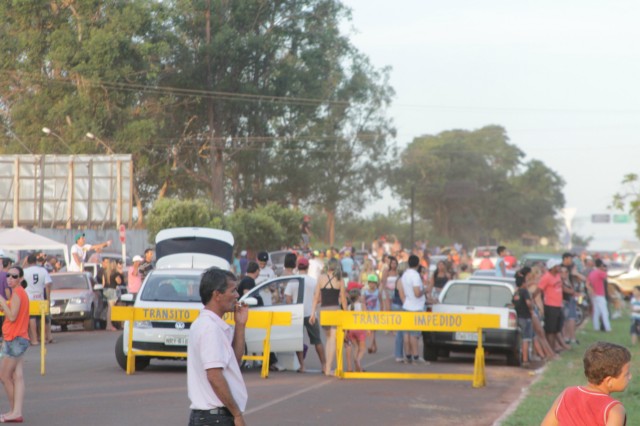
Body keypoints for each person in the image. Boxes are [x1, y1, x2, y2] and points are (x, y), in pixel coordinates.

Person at [187, 268, 249, 426]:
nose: (237, 296)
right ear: (217, 295)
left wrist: (240, 325)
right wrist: (237, 414)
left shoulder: (209, 324)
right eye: (233, 290)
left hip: (211, 417)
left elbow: (233, 362)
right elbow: (214, 376)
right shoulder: (210, 328)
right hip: (215, 418)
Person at [541, 342, 630, 426]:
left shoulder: (567, 393)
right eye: (626, 374)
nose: (630, 377)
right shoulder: (614, 409)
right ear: (609, 381)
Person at [0, 266, 31, 423]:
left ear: (20, 278)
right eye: (8, 276)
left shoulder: (18, 293)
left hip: (15, 339)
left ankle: (14, 411)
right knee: (17, 376)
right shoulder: (18, 294)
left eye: (14, 276)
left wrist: (3, 302)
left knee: (5, 376)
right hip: (17, 338)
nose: (10, 278)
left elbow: (12, 317)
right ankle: (15, 411)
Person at [284, 257, 325, 373]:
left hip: (297, 313)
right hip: (310, 314)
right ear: (307, 268)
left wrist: (292, 308)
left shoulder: (293, 281)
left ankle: (302, 365)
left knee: (298, 340)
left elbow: (287, 297)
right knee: (317, 340)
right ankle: (324, 365)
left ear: (297, 267)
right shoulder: (313, 281)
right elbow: (319, 298)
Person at [309, 258, 346, 376]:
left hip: (323, 311)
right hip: (335, 310)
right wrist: (346, 313)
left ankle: (327, 367)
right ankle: (328, 367)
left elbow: (316, 297)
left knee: (329, 338)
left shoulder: (321, 278)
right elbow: (343, 299)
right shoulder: (340, 279)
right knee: (332, 339)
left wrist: (312, 313)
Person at [532, 259, 565, 352]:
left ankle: (554, 347)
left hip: (558, 305)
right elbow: (539, 289)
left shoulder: (558, 276)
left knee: (556, 329)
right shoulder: (546, 277)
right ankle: (550, 349)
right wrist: (532, 298)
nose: (559, 268)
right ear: (552, 267)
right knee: (550, 329)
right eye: (557, 266)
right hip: (550, 306)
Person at [401, 255, 427, 364]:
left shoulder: (404, 275)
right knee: (414, 335)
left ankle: (408, 356)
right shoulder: (415, 276)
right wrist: (424, 291)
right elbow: (417, 293)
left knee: (406, 334)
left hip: (407, 305)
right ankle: (416, 357)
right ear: (417, 264)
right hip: (416, 307)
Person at [23, 253, 52, 345]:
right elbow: (48, 285)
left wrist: (24, 263)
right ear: (36, 261)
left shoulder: (25, 271)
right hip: (40, 297)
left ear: (28, 261)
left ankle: (34, 339)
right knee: (42, 318)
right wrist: (47, 298)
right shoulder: (43, 271)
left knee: (32, 318)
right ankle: (43, 338)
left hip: (29, 297)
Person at [512, 267, 534, 367]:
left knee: (521, 338)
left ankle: (522, 358)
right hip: (526, 317)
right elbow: (528, 303)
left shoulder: (515, 293)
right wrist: (532, 308)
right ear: (524, 283)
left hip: (518, 317)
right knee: (526, 339)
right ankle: (525, 360)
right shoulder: (524, 292)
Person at [345, 281, 366, 373]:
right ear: (358, 296)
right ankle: (358, 360)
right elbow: (366, 318)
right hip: (360, 329)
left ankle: (357, 365)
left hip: (351, 330)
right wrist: (368, 329)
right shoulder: (362, 306)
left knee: (355, 347)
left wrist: (346, 331)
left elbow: (346, 320)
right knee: (362, 348)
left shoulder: (349, 307)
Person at [587, 259, 611, 333]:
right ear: (601, 265)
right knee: (604, 312)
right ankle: (607, 328)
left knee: (596, 312)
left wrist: (592, 291)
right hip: (600, 294)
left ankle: (596, 327)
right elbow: (607, 276)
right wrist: (605, 270)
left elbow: (587, 284)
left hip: (594, 294)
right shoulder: (600, 273)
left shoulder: (591, 273)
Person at [363, 274, 380, 354]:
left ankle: (370, 346)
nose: (372, 284)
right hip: (368, 313)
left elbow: (381, 301)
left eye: (373, 283)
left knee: (372, 330)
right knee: (370, 330)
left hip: (376, 313)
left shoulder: (378, 292)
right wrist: (365, 310)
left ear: (376, 283)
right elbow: (363, 302)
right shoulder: (365, 292)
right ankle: (374, 346)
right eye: (370, 283)